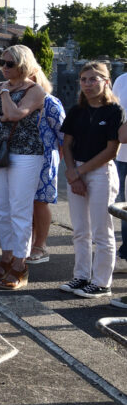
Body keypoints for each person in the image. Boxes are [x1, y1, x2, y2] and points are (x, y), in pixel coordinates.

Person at [0, 45, 46, 290]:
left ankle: (20, 263)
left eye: (10, 63)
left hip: (26, 153)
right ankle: (6, 257)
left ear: (23, 64)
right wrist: (2, 116)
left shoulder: (35, 89)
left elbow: (17, 114)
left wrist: (6, 95)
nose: (4, 68)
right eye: (2, 63)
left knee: (19, 209)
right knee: (1, 207)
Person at [59, 62, 125, 299]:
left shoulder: (114, 111)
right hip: (75, 169)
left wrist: (80, 172)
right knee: (80, 230)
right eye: (84, 79)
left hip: (100, 172)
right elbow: (66, 143)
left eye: (93, 79)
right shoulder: (77, 111)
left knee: (101, 230)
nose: (88, 84)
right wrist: (72, 172)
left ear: (106, 81)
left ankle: (101, 282)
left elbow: (111, 151)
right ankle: (81, 275)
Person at [27, 71, 65, 265]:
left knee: (40, 202)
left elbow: (64, 135)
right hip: (22, 158)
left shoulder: (49, 102)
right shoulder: (18, 100)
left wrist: (56, 161)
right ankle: (28, 243)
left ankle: (40, 245)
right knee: (26, 203)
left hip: (44, 158)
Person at [110, 70, 127, 274]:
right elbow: (115, 111)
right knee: (123, 207)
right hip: (121, 155)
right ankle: (125, 252)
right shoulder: (122, 79)